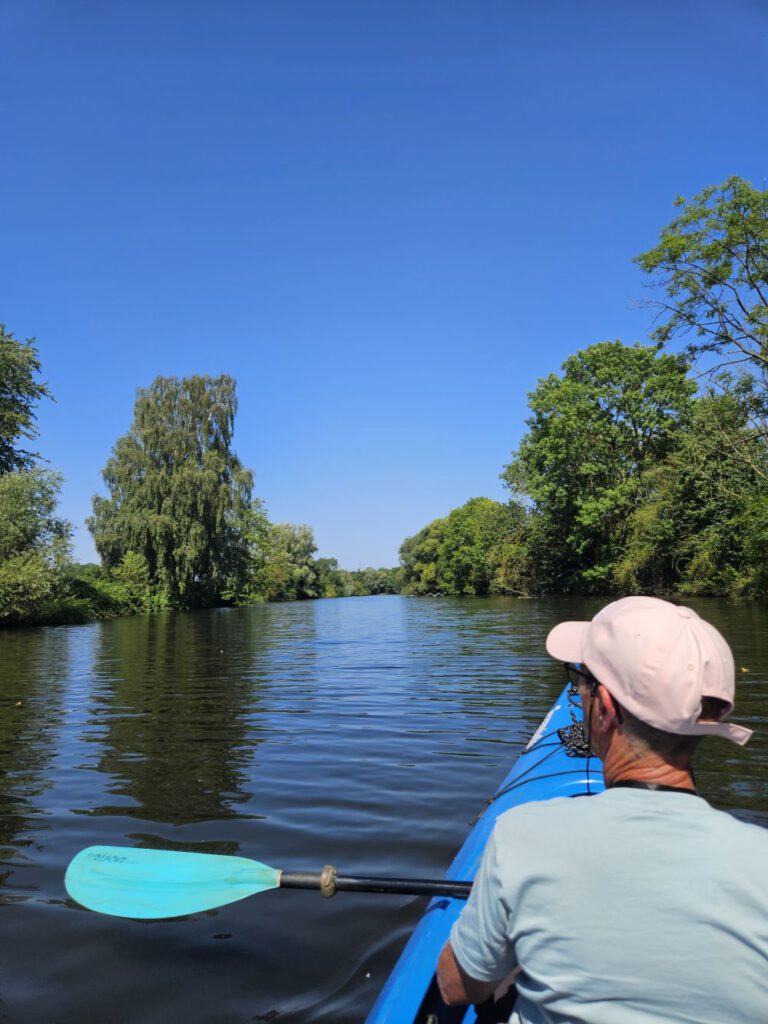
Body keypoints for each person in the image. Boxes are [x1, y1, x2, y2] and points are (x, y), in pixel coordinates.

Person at [437, 596, 768, 1023]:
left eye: (581, 680)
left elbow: (455, 987)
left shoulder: (522, 836)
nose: (578, 691)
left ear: (605, 707)